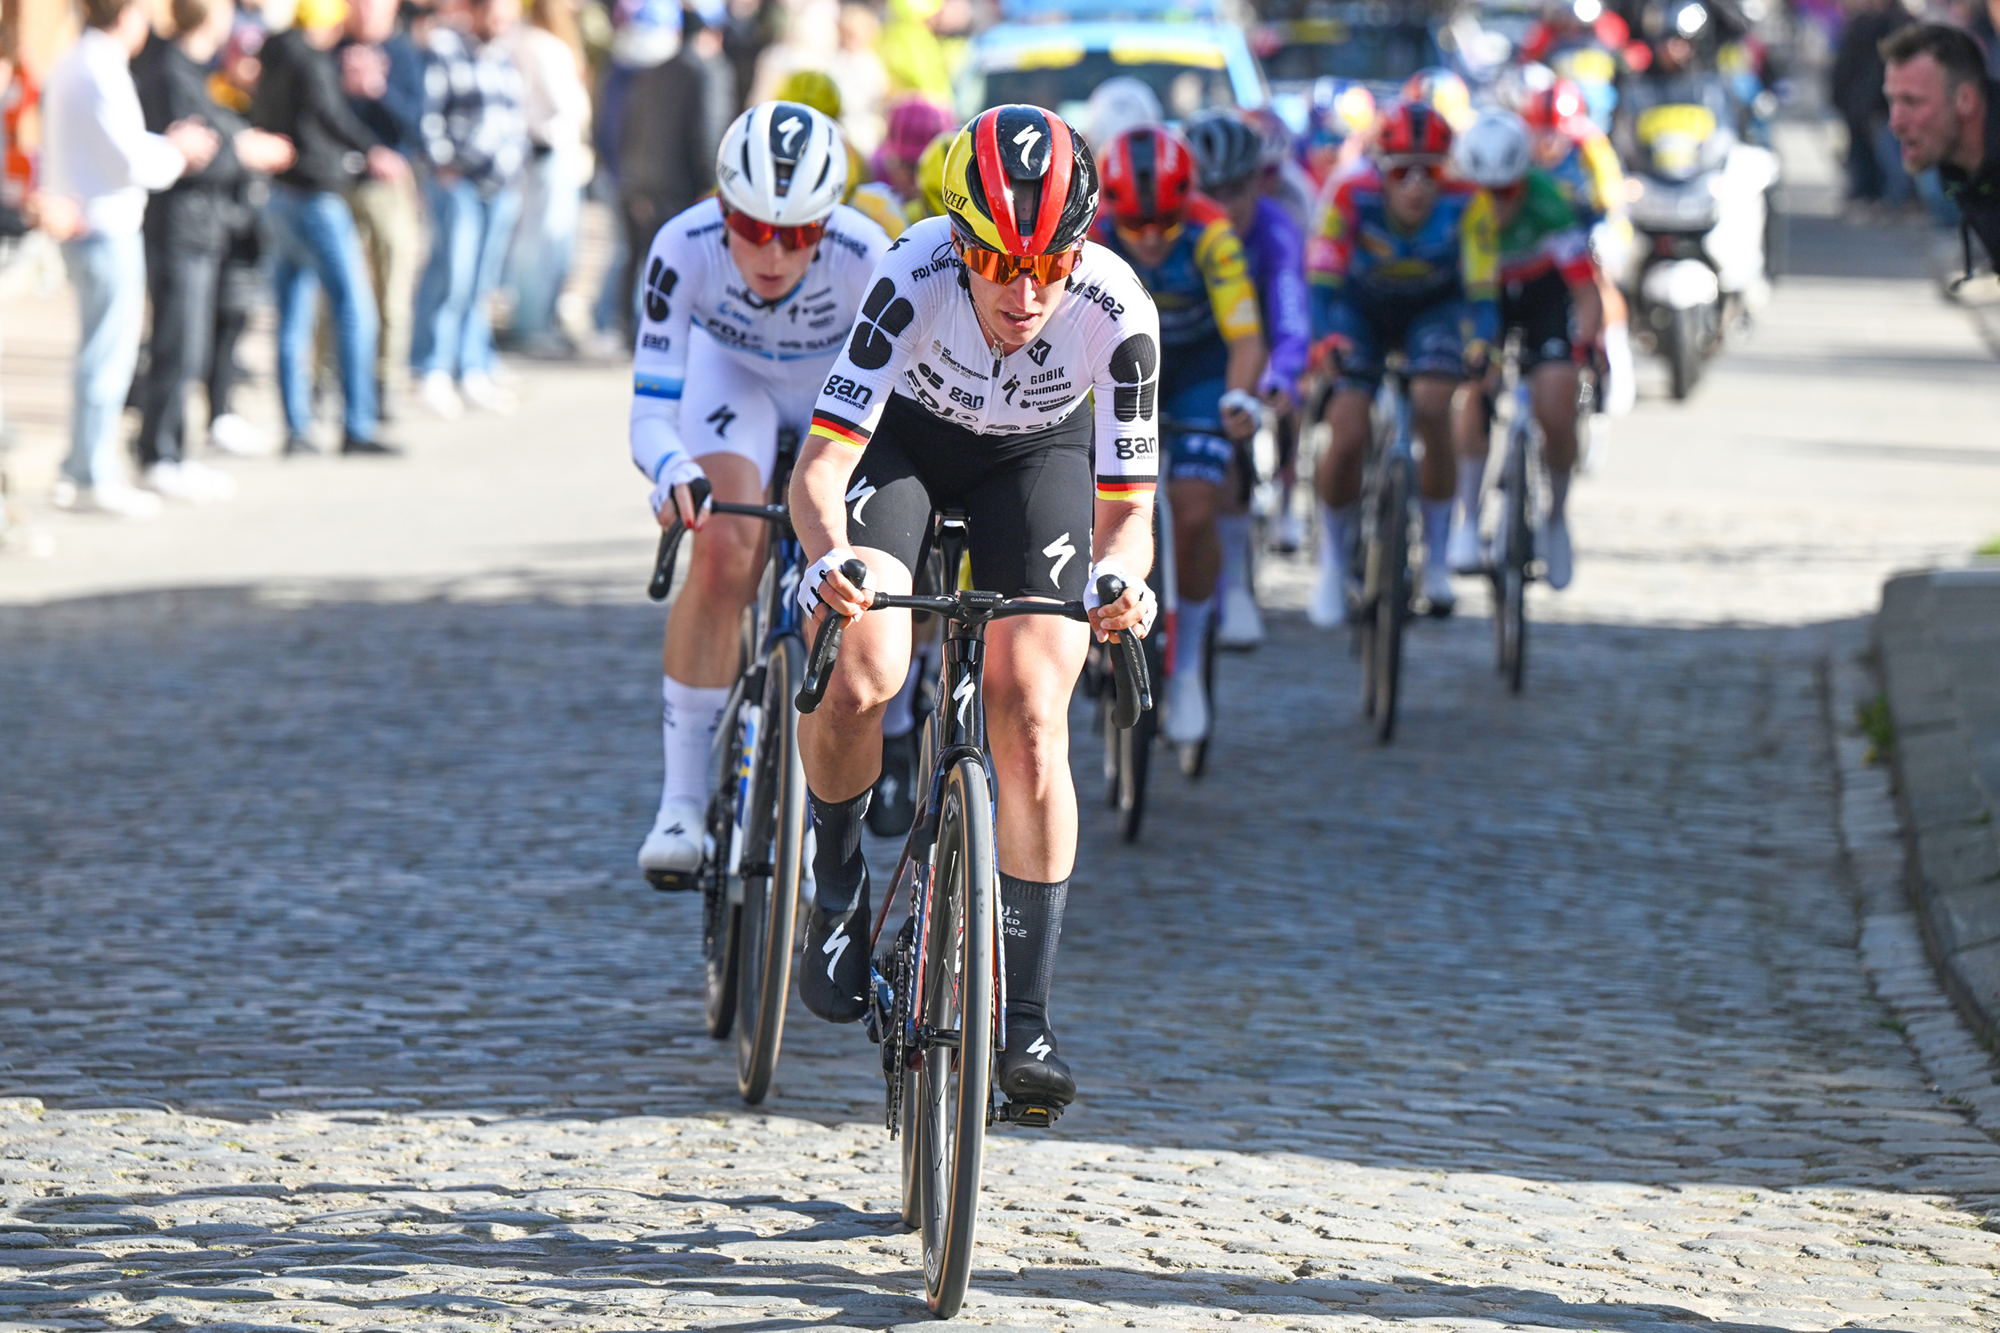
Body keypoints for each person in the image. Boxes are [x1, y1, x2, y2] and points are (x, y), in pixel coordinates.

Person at [792, 105, 1158, 1119]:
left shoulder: (1116, 311)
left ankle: (1025, 1015)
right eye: (998, 263)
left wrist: (1124, 582)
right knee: (866, 666)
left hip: (1035, 459)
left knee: (1031, 708)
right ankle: (836, 886)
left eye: (1050, 264)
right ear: (959, 244)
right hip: (904, 443)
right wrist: (828, 561)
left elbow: (1130, 516)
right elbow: (818, 469)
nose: (1025, 293)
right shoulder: (908, 276)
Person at [631, 101, 891, 884]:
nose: (774, 253)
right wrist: (674, 469)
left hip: (835, 396)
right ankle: (680, 803)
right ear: (721, 208)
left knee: (842, 580)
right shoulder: (681, 246)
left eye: (801, 233)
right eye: (751, 227)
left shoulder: (866, 254)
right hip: (731, 380)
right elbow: (650, 412)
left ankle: (826, 812)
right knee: (726, 547)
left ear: (830, 221)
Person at [1093, 123, 1263, 743]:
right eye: (1137, 225)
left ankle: (1187, 663)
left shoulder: (1212, 234)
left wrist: (1238, 396)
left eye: (1166, 223)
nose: (1150, 238)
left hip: (1196, 375)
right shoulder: (1092, 234)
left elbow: (1247, 338)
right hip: (1116, 369)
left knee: (1193, 512)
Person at [1306, 100, 1497, 626]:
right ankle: (1333, 562)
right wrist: (1326, 342)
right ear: (1380, 171)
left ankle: (1435, 558)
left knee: (1434, 405)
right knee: (1347, 429)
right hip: (1359, 310)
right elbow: (1320, 285)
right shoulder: (1349, 194)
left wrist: (1482, 345)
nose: (1415, 186)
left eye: (1429, 172)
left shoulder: (1469, 202)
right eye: (1400, 173)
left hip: (1434, 311)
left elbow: (1483, 292)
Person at [43, 0, 220, 518]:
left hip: (91, 220)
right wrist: (178, 150)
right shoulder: (99, 68)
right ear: (124, 15)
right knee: (107, 359)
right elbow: (131, 160)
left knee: (102, 355)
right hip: (104, 225)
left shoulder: (79, 62)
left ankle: (83, 465)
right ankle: (90, 473)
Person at [131, 0, 295, 502]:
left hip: (203, 224)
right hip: (179, 223)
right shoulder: (170, 70)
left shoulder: (192, 70)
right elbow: (190, 154)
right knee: (176, 344)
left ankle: (175, 449)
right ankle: (160, 452)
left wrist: (237, 143)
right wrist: (241, 151)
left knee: (194, 342)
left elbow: (209, 139)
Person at [1448, 109, 1601, 591]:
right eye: (1484, 192)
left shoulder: (1551, 203)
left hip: (1543, 299)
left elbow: (1586, 294)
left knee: (1557, 402)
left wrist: (1585, 348)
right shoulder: (1453, 203)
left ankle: (1557, 515)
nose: (1495, 204)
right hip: (1483, 299)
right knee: (1474, 387)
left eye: (1506, 192)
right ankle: (1467, 517)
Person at [1180, 109, 1308, 648]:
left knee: (1228, 439)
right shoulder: (1175, 226)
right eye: (1208, 192)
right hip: (1180, 345)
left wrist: (1281, 377)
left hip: (1241, 347)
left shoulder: (1276, 230)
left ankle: (1234, 582)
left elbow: (1290, 316)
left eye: (1235, 191)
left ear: (1259, 183)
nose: (1222, 206)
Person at [252, 0, 403, 455]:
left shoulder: (273, 54)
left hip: (280, 195)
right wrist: (371, 149)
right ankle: (356, 423)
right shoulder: (310, 61)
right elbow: (330, 115)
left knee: (292, 317)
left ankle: (296, 427)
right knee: (354, 310)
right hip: (316, 196)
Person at [412, 0, 530, 417]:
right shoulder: (445, 50)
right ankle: (432, 366)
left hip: (500, 183)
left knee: (482, 282)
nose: (501, 20)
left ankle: (473, 365)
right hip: (459, 181)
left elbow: (512, 118)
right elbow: (428, 114)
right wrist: (442, 161)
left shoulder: (503, 57)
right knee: (453, 276)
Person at [618, 3, 734, 337]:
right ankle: (663, 336)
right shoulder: (708, 71)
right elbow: (708, 131)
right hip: (681, 187)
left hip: (640, 181)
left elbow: (627, 128)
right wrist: (711, 185)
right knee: (679, 265)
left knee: (642, 260)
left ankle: (633, 332)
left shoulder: (651, 72)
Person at [335, 0, 426, 400]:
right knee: (338, 290)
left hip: (388, 186)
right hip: (341, 179)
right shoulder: (334, 49)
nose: (366, 9)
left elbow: (416, 124)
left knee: (393, 288)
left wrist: (378, 90)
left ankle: (385, 380)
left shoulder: (403, 54)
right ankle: (330, 378)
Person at [503, 0, 592, 356]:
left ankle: (535, 321)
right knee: (546, 244)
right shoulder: (547, 46)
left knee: (532, 243)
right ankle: (533, 325)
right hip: (549, 149)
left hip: (530, 151)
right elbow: (568, 105)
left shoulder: (518, 37)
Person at [1883, 23, 2000, 273]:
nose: (1895, 123)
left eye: (1912, 102)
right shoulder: (1959, 166)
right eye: (1892, 101)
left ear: (1966, 100)